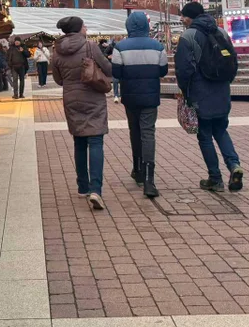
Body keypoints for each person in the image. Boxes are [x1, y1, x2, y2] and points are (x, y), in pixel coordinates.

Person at [175, 2, 244, 193]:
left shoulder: (188, 36)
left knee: (204, 135)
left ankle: (215, 178)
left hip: (200, 91)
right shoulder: (221, 32)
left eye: (183, 16)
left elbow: (184, 69)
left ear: (191, 17)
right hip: (221, 90)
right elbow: (233, 61)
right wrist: (226, 82)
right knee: (221, 130)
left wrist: (185, 92)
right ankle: (234, 165)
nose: (182, 19)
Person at [51, 16, 113, 210]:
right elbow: (108, 68)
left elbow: (58, 79)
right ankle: (96, 190)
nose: (86, 28)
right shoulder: (90, 46)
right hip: (93, 98)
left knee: (79, 141)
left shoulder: (57, 51)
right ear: (79, 29)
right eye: (84, 25)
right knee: (95, 141)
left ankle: (82, 186)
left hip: (71, 99)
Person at [112, 12, 168, 197]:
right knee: (148, 133)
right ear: (146, 25)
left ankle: (137, 169)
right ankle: (149, 179)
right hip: (151, 97)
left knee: (134, 131)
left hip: (130, 97)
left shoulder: (120, 47)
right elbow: (162, 71)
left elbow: (117, 72)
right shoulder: (158, 46)